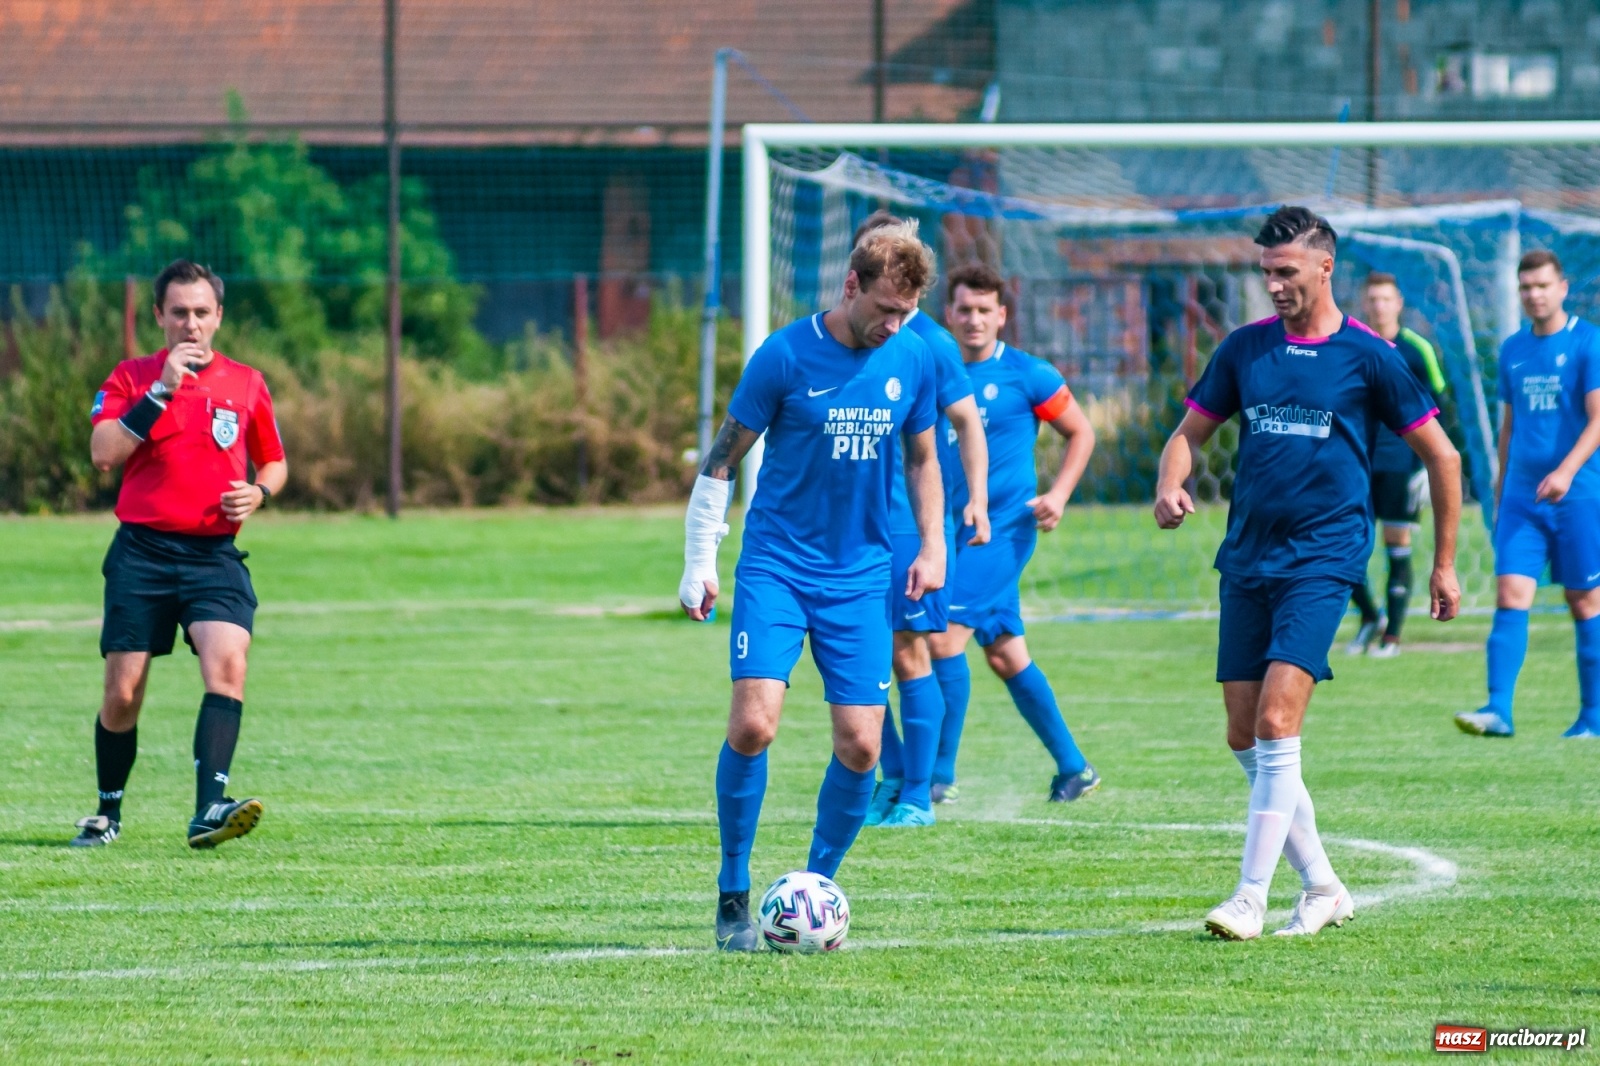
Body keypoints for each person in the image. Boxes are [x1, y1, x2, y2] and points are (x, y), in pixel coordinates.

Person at [1153, 206, 1462, 939]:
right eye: (1265, 273)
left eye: (1285, 271)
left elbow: (1443, 458)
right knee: (1242, 734)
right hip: (1247, 556)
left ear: (1326, 268)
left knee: (1276, 721)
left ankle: (1249, 897)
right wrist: (1172, 483)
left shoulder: (1371, 356)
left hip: (1324, 558)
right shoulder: (1245, 349)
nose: (1273, 285)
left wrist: (1444, 565)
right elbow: (1186, 435)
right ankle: (1322, 884)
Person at [679, 220, 946, 952]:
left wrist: (933, 543)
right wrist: (699, 560)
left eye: (906, 313)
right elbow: (721, 459)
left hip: (860, 576)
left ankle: (811, 889)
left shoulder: (915, 357)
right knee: (753, 725)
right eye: (885, 309)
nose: (894, 325)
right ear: (850, 285)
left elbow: (923, 458)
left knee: (862, 745)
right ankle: (734, 894)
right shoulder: (785, 355)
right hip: (776, 566)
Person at [74, 259, 287, 849]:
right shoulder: (130, 377)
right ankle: (106, 811)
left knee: (229, 665)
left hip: (213, 555)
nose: (190, 324)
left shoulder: (247, 383)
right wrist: (163, 389)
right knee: (122, 694)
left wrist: (260, 490)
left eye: (201, 313)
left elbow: (274, 458)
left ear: (218, 317)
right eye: (179, 313)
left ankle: (208, 812)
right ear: (159, 318)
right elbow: (102, 452)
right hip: (141, 552)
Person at [922, 262, 1102, 805]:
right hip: (947, 532)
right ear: (948, 314)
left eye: (984, 311)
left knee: (942, 638)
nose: (974, 320)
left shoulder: (1029, 375)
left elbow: (1081, 433)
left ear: (1002, 316)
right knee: (1005, 654)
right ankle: (1074, 766)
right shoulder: (933, 371)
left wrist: (1059, 494)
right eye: (964, 310)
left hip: (1001, 533)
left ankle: (936, 777)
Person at [848, 213, 990, 831]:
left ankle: (918, 791)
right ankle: (894, 777)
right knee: (860, 661)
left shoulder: (924, 341)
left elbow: (965, 423)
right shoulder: (846, 338)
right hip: (855, 527)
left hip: (907, 524)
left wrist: (976, 501)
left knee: (910, 654)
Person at [1455, 250, 1600, 739]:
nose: (1534, 295)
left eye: (1542, 285)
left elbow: (1598, 420)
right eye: (1526, 288)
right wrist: (1500, 487)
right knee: (1510, 593)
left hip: (1578, 495)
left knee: (1585, 601)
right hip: (1522, 497)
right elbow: (1509, 426)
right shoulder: (1514, 349)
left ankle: (1592, 718)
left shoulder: (1588, 342)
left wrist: (1565, 471)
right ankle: (1498, 710)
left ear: (1562, 288)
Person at [1345, 272, 1447, 659]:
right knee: (1346, 546)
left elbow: (1439, 409)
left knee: (1396, 543)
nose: (1379, 306)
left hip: (1401, 461)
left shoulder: (1415, 349)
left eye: (1386, 299)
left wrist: (1427, 466)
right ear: (1364, 304)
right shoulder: (1354, 345)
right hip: (1356, 462)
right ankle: (1370, 617)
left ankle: (1393, 638)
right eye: (1372, 299)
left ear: (1399, 303)